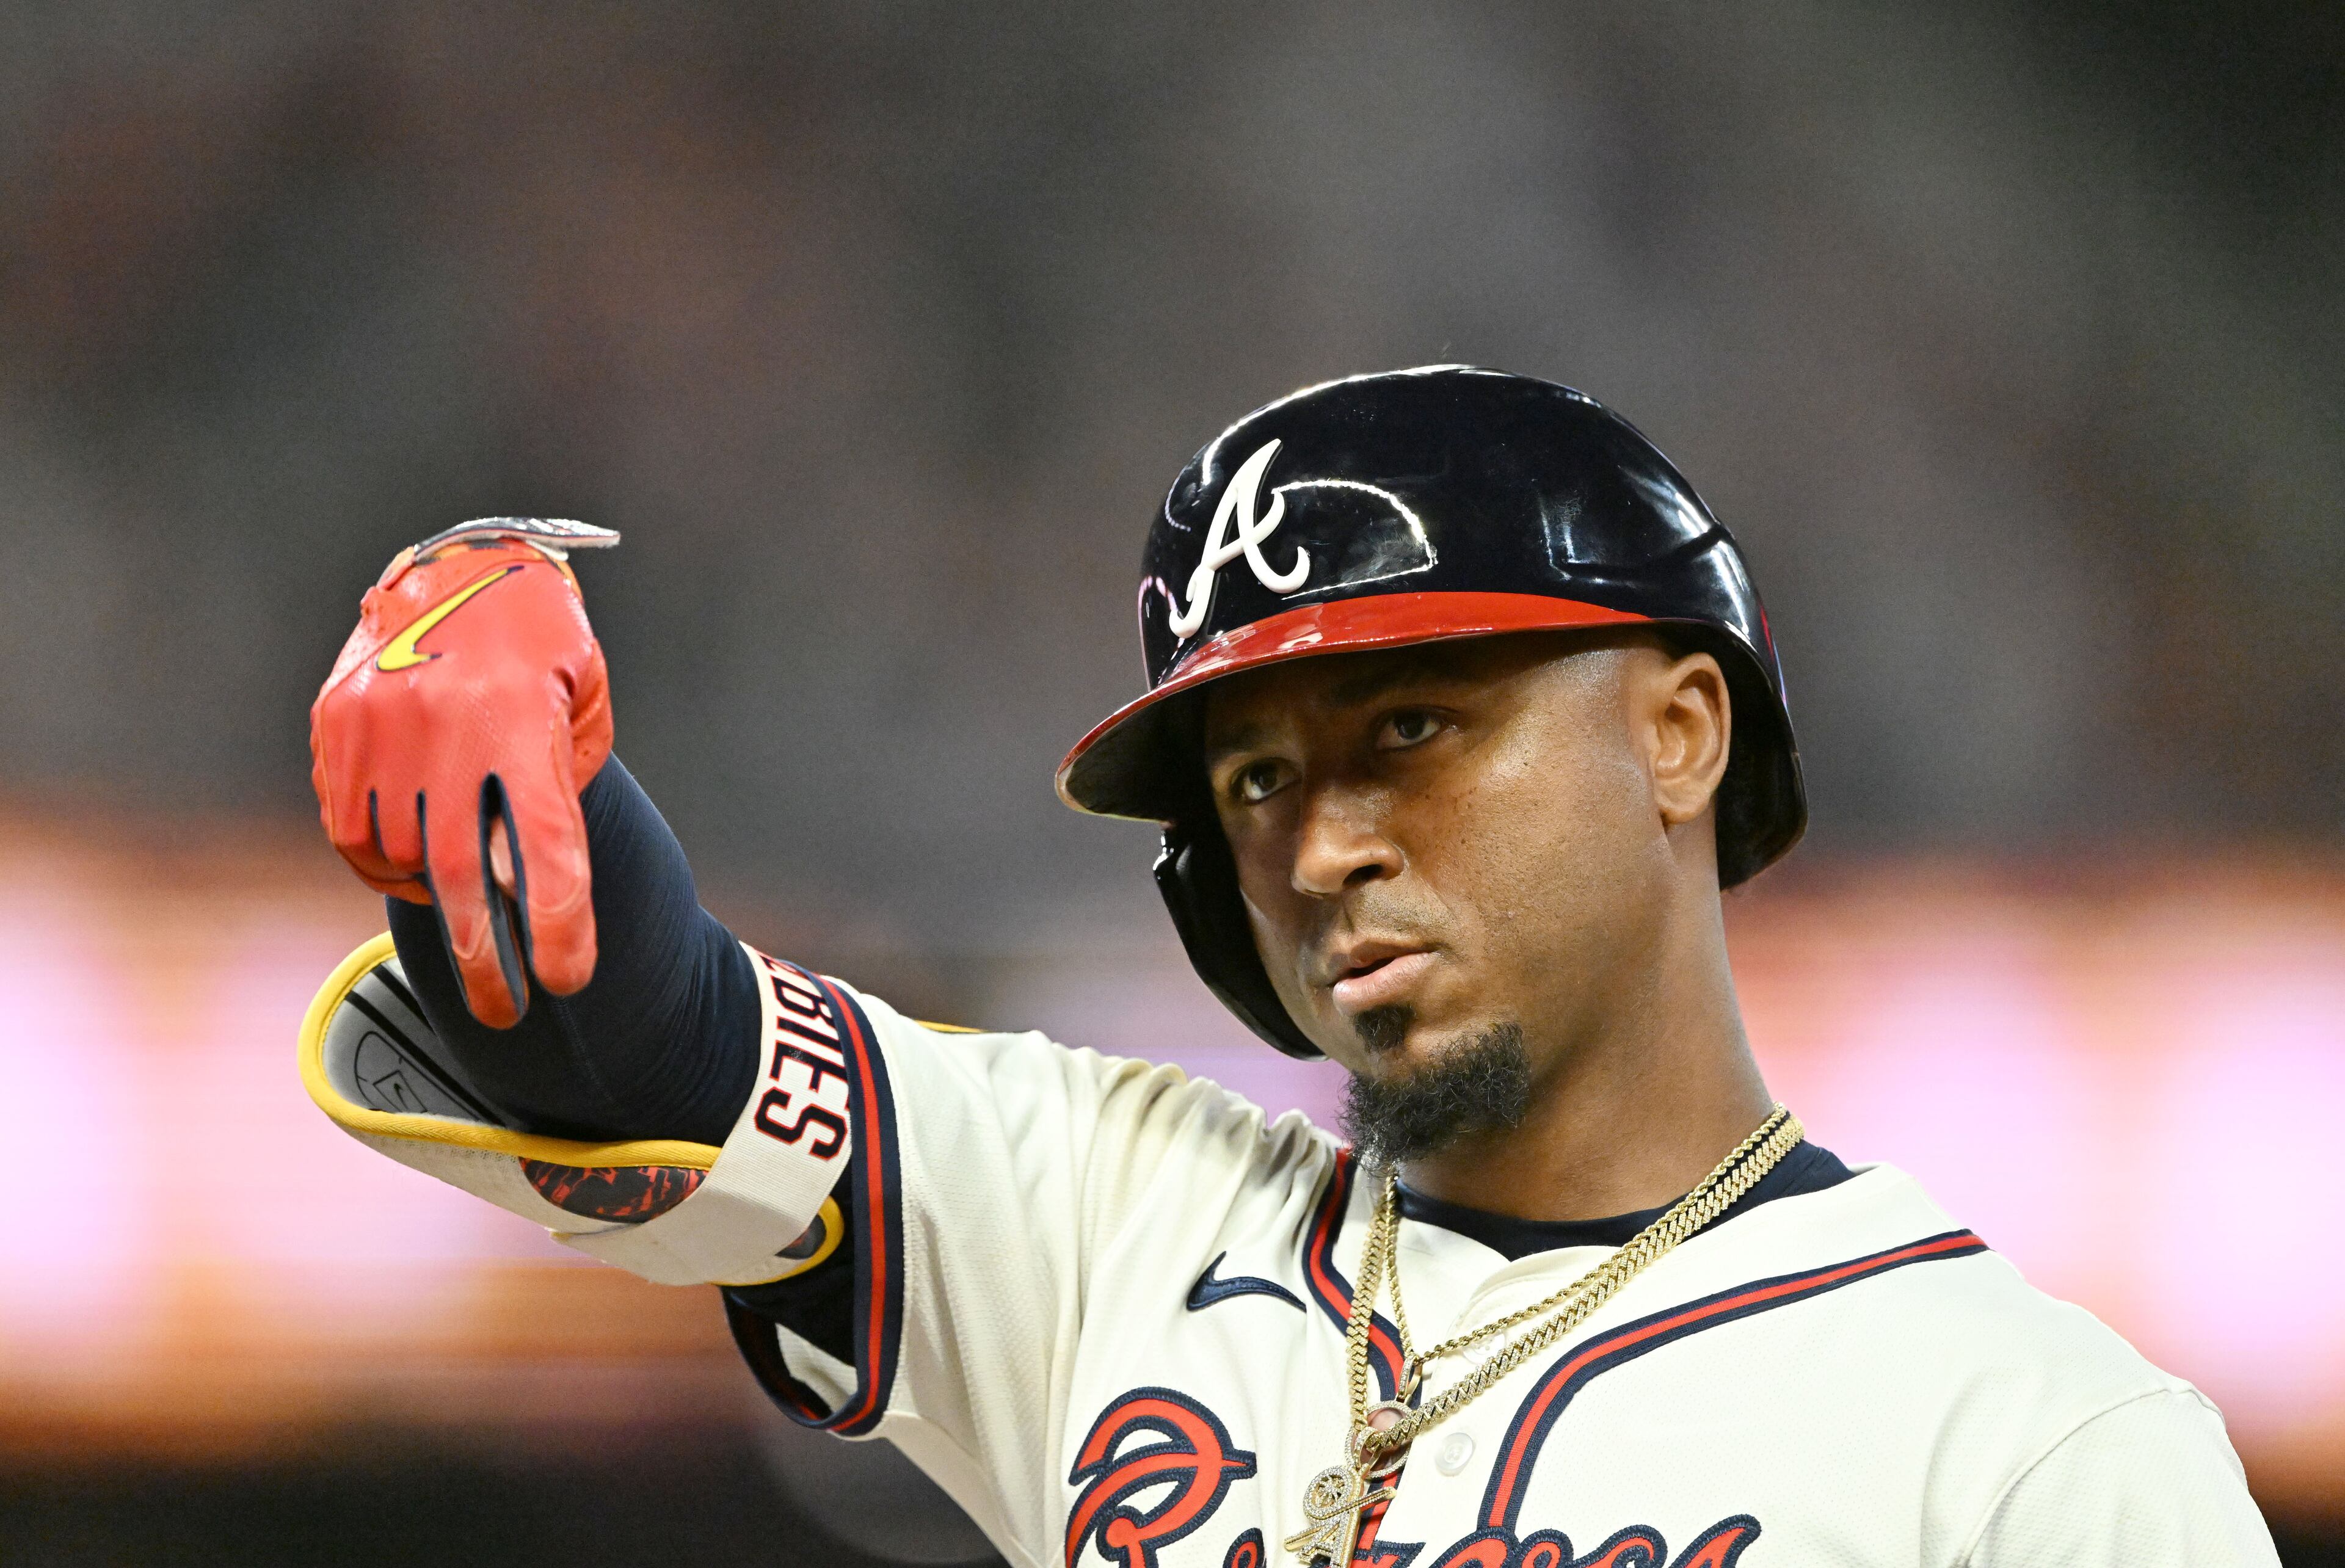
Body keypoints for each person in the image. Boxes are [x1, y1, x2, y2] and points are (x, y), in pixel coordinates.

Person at [300, 368, 2278, 1568]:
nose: (1321, 846)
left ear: (1679, 734)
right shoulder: (1104, 1219)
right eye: (1255, 777)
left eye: (1413, 732)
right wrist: (517, 771)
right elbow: (636, 1049)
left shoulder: (2030, 1448)